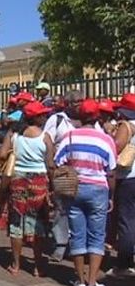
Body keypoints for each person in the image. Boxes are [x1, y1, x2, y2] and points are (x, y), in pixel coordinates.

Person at [55, 99, 116, 286]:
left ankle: (80, 280)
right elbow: (111, 171)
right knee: (97, 235)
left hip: (74, 189)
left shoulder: (69, 136)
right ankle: (92, 282)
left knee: (77, 233)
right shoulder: (105, 139)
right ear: (97, 116)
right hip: (98, 189)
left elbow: (58, 162)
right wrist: (111, 196)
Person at [0, 101, 54, 276]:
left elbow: (2, 154)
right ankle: (37, 266)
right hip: (39, 181)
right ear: (36, 117)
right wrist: (52, 187)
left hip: (18, 180)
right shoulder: (45, 136)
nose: (45, 117)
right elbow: (50, 164)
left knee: (16, 221)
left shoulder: (14, 134)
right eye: (42, 115)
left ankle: (16, 264)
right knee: (38, 223)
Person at [44, 89, 84, 262]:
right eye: (77, 102)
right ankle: (61, 244)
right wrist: (51, 165)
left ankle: (79, 245)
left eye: (82, 101)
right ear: (68, 104)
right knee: (61, 208)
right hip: (63, 171)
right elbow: (47, 140)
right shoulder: (57, 119)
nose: (80, 105)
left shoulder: (88, 120)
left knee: (81, 209)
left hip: (84, 171)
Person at [107, 94, 135, 277]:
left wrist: (110, 134)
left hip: (129, 177)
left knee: (126, 220)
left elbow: (115, 147)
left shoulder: (126, 126)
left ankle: (124, 264)